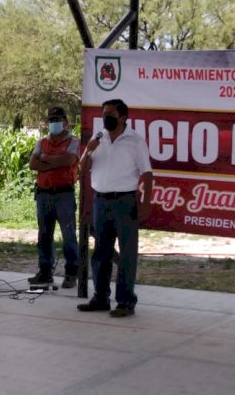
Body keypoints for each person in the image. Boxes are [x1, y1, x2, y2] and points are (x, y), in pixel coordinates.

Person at [77, 99, 153, 318]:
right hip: (100, 201)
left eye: (110, 114)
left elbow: (147, 174)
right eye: (104, 114)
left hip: (125, 202)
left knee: (127, 254)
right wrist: (88, 151)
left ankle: (126, 302)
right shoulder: (97, 138)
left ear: (123, 117)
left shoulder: (135, 141)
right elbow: (82, 169)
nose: (105, 118)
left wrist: (145, 204)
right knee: (101, 252)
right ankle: (101, 298)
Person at [27, 107, 79, 288]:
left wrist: (45, 159)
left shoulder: (73, 142)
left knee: (68, 235)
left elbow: (69, 160)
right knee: (44, 235)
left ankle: (71, 273)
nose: (54, 123)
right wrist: (56, 162)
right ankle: (45, 272)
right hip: (43, 194)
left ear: (65, 122)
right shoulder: (42, 142)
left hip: (64, 194)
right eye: (51, 120)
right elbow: (33, 164)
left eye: (57, 119)